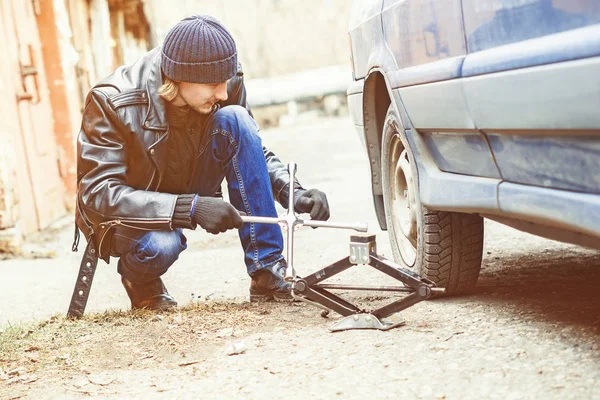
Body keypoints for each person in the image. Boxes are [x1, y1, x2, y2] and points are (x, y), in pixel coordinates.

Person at [75, 15, 330, 311]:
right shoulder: (112, 101)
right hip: (131, 214)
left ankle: (266, 270)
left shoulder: (225, 85)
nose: (222, 93)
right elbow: (97, 192)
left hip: (188, 181)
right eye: (213, 84)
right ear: (179, 77)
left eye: (225, 82)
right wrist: (190, 207)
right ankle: (140, 280)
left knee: (236, 118)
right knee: (162, 245)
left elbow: (251, 149)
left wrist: (292, 192)